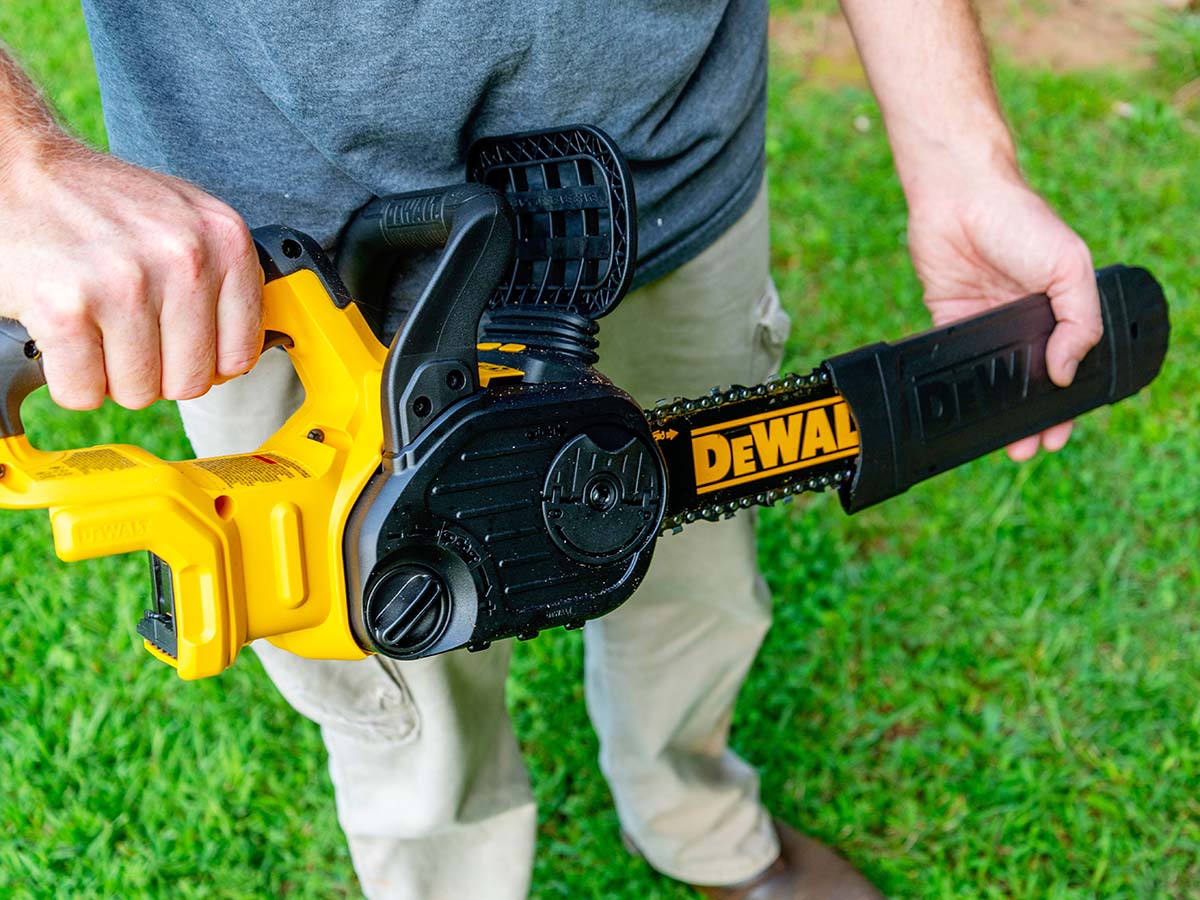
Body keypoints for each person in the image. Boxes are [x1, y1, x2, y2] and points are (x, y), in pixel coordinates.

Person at [0, 3, 1102, 898]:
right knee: (404, 712)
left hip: (668, 176)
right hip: (280, 269)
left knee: (699, 589)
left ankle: (699, 821)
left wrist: (962, 156)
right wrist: (19, 170)